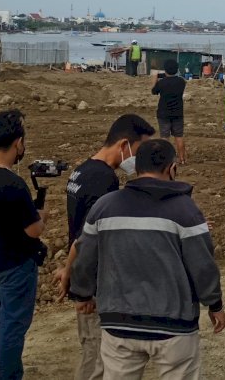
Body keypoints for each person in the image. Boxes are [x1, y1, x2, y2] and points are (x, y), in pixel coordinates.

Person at [69, 139, 225, 380]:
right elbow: (202, 265)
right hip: (174, 326)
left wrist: (82, 294)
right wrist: (214, 304)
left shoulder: (105, 207)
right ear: (171, 168)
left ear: (135, 167)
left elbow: (85, 255)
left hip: (118, 325)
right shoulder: (186, 210)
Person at [55, 114, 156, 380]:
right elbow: (87, 238)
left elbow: (77, 230)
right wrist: (79, 286)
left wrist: (69, 270)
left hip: (83, 275)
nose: (139, 157)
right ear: (124, 145)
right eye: (139, 149)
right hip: (95, 285)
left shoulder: (82, 170)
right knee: (97, 361)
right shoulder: (104, 180)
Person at [0, 110, 45, 380]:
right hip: (16, 265)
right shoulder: (13, 185)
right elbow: (34, 230)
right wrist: (42, 215)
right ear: (18, 143)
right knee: (13, 326)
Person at [152, 60, 188, 165]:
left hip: (163, 113)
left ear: (165, 70)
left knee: (164, 137)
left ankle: (166, 160)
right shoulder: (181, 82)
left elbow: (153, 91)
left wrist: (155, 78)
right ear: (176, 69)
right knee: (179, 136)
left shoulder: (162, 83)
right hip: (178, 113)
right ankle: (182, 159)